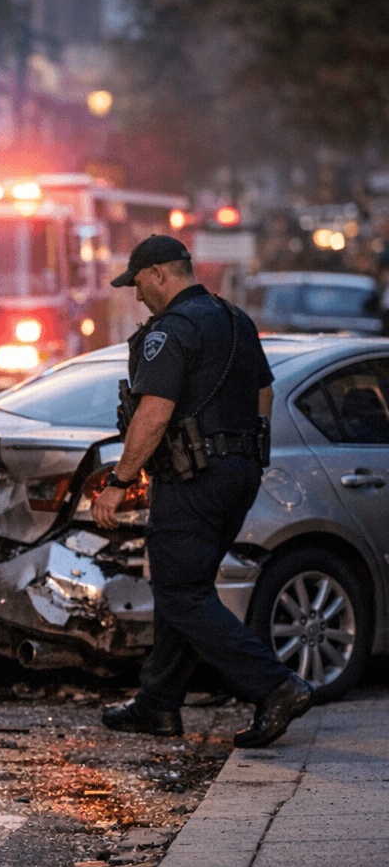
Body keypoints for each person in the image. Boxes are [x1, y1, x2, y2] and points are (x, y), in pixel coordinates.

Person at [94, 234, 312, 748]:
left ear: (159, 274)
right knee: (185, 586)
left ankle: (276, 686)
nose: (136, 295)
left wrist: (118, 482)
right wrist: (243, 453)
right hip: (240, 475)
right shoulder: (236, 320)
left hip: (193, 479)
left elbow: (154, 413)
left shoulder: (171, 330)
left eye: (138, 284)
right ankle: (158, 704)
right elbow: (264, 393)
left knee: (180, 591)